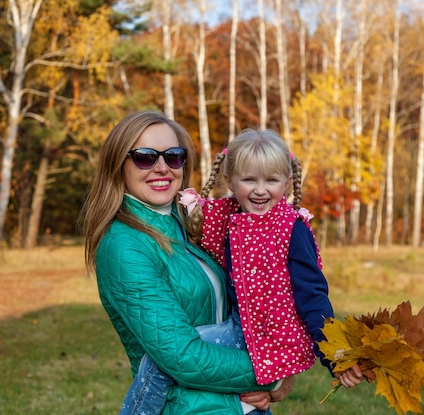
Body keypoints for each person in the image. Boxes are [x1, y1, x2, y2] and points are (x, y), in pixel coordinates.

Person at [119, 127, 364, 415]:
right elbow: (193, 229)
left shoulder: (291, 229)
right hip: (243, 327)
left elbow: (313, 297)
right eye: (249, 180)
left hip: (271, 337)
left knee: (161, 361)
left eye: (271, 180)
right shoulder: (229, 216)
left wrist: (335, 357)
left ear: (286, 181)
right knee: (171, 359)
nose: (260, 190)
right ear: (230, 181)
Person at [81, 111, 294, 415]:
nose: (161, 168)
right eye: (144, 157)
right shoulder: (124, 245)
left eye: (173, 156)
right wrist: (273, 373)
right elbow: (182, 356)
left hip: (236, 404)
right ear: (119, 165)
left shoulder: (187, 228)